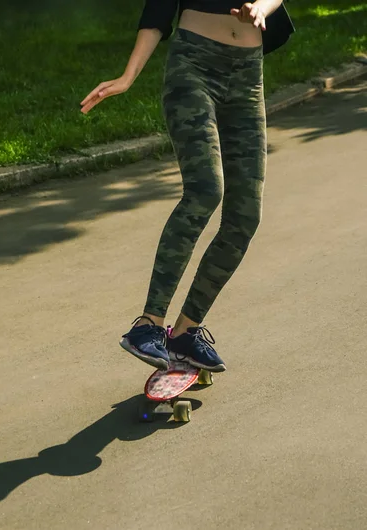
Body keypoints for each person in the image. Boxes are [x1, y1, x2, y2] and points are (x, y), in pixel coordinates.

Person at [80, 1, 294, 372]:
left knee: (246, 216)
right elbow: (158, 7)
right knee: (206, 189)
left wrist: (262, 6)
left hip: (247, 75)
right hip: (194, 66)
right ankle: (147, 326)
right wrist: (128, 76)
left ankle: (185, 333)